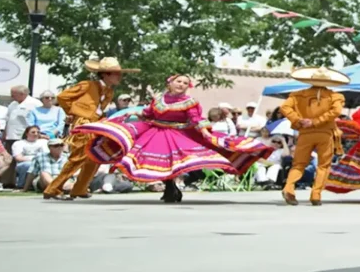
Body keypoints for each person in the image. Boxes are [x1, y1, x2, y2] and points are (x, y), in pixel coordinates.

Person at [74, 74, 272, 203]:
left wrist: (206, 134)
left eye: (185, 83)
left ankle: (171, 188)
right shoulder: (158, 99)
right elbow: (149, 112)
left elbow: (195, 119)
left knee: (175, 161)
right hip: (156, 132)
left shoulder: (190, 101)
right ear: (169, 83)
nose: (182, 85)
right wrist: (133, 116)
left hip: (180, 133)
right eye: (179, 81)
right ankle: (171, 188)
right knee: (156, 160)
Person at [43, 57, 135, 201]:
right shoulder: (87, 85)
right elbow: (62, 97)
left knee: (95, 157)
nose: (119, 76)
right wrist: (74, 113)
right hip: (84, 125)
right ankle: (53, 189)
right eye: (116, 73)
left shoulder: (109, 91)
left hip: (96, 125)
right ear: (105, 74)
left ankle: (79, 188)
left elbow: (98, 109)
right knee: (78, 158)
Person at [279, 67, 348, 206]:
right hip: (324, 133)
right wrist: (317, 121)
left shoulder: (297, 95)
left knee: (298, 164)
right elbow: (336, 111)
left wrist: (298, 120)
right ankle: (316, 194)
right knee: (323, 165)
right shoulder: (336, 96)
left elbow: (284, 108)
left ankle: (289, 188)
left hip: (305, 132)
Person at [4, 86, 42, 151]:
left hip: (25, 136)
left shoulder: (36, 103)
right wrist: (5, 133)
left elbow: (40, 120)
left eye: (13, 95)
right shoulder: (12, 104)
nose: (11, 97)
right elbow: (8, 120)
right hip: (10, 136)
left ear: (22, 94)